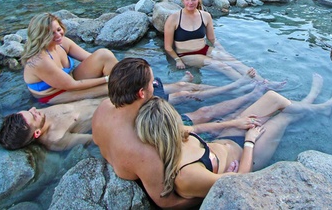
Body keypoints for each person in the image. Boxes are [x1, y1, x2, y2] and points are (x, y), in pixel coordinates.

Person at [93, 58, 268, 208]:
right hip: (191, 164)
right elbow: (167, 203)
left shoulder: (104, 108)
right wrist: (210, 186)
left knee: (206, 115)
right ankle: (251, 96)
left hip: (159, 130)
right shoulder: (144, 149)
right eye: (152, 83)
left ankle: (247, 94)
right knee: (209, 117)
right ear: (141, 93)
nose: (155, 85)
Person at [136, 74, 332, 200]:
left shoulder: (176, 135)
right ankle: (317, 105)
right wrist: (250, 140)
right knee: (283, 117)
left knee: (272, 99)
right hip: (248, 158)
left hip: (230, 138)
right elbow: (240, 181)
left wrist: (233, 123)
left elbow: (197, 131)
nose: (180, 123)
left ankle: (314, 105)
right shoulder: (186, 175)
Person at [0, 68, 265, 151]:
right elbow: (99, 140)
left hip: (124, 99)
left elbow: (78, 93)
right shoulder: (57, 138)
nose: (34, 110)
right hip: (134, 113)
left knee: (184, 93)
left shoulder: (45, 111)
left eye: (29, 111)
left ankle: (240, 88)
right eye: (31, 116)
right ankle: (249, 92)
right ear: (35, 135)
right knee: (200, 111)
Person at [164, 0, 269, 82]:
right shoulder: (174, 18)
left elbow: (212, 39)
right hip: (186, 54)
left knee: (234, 61)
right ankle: (250, 85)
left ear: (199, 0)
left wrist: (223, 51)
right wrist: (177, 60)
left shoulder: (205, 16)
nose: (190, 3)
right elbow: (168, 47)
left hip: (204, 49)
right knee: (222, 66)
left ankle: (264, 82)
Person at [22, 12, 118, 104]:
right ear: (41, 36)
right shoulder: (40, 60)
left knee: (104, 55)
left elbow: (92, 58)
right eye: (52, 33)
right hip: (54, 93)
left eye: (59, 30)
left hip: (70, 79)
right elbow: (72, 85)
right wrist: (107, 79)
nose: (58, 35)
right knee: (112, 87)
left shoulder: (63, 43)